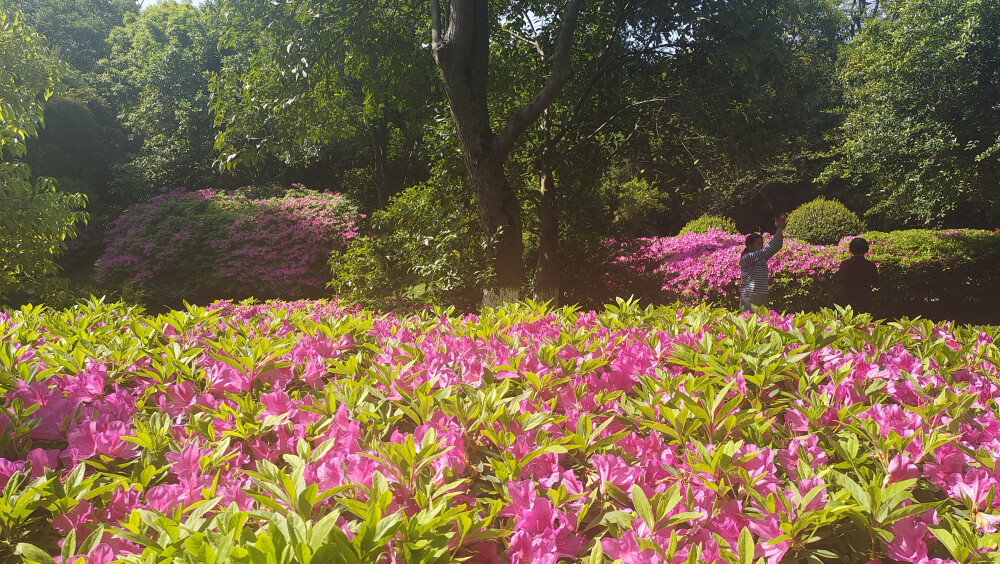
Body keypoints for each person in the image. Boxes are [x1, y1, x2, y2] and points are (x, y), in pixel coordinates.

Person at [739, 214, 787, 312]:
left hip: (762, 295)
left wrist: (780, 229)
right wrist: (778, 230)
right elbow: (767, 250)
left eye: (762, 244)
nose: (761, 246)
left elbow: (776, 246)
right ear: (749, 245)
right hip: (750, 297)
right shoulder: (747, 258)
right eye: (758, 244)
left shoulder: (760, 258)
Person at [835, 237, 878, 312]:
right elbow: (876, 282)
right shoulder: (870, 265)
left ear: (851, 249)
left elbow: (840, 280)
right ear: (866, 249)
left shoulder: (845, 264)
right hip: (864, 299)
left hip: (845, 299)